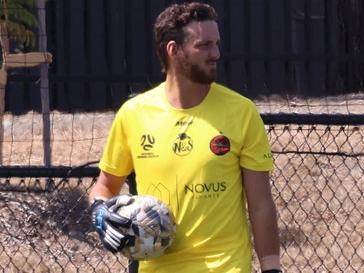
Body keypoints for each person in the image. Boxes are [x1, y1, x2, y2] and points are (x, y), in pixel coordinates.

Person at [89, 2, 282, 273]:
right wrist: (99, 213)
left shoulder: (241, 112)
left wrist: (272, 268)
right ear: (174, 50)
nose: (215, 53)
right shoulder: (134, 114)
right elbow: (105, 186)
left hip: (227, 267)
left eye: (217, 44)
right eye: (204, 45)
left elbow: (261, 204)